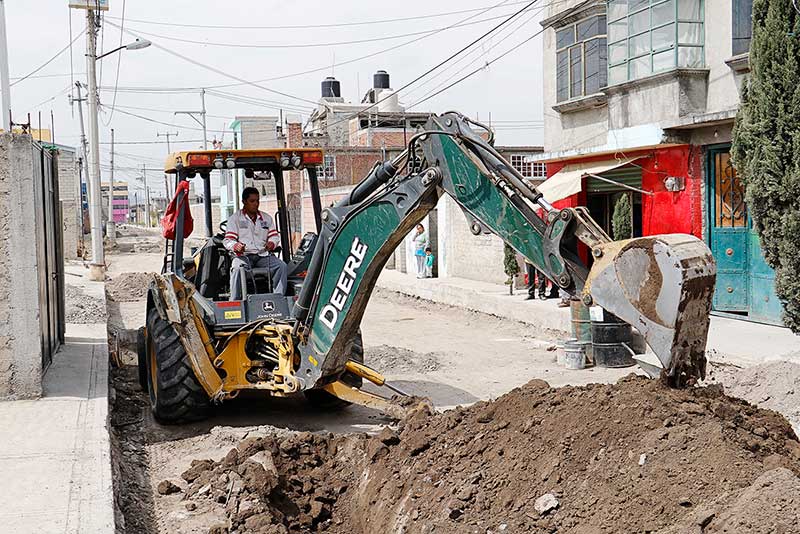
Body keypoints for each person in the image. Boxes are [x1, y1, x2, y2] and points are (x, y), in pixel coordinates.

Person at [223, 187, 288, 300]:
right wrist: (236, 246)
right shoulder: (235, 219)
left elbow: (274, 236)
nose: (256, 204)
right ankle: (235, 302)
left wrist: (271, 244)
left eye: (257, 201)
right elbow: (228, 240)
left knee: (281, 266)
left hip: (262, 255)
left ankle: (279, 299)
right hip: (243, 257)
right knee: (237, 268)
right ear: (244, 202)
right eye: (252, 201)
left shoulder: (266, 218)